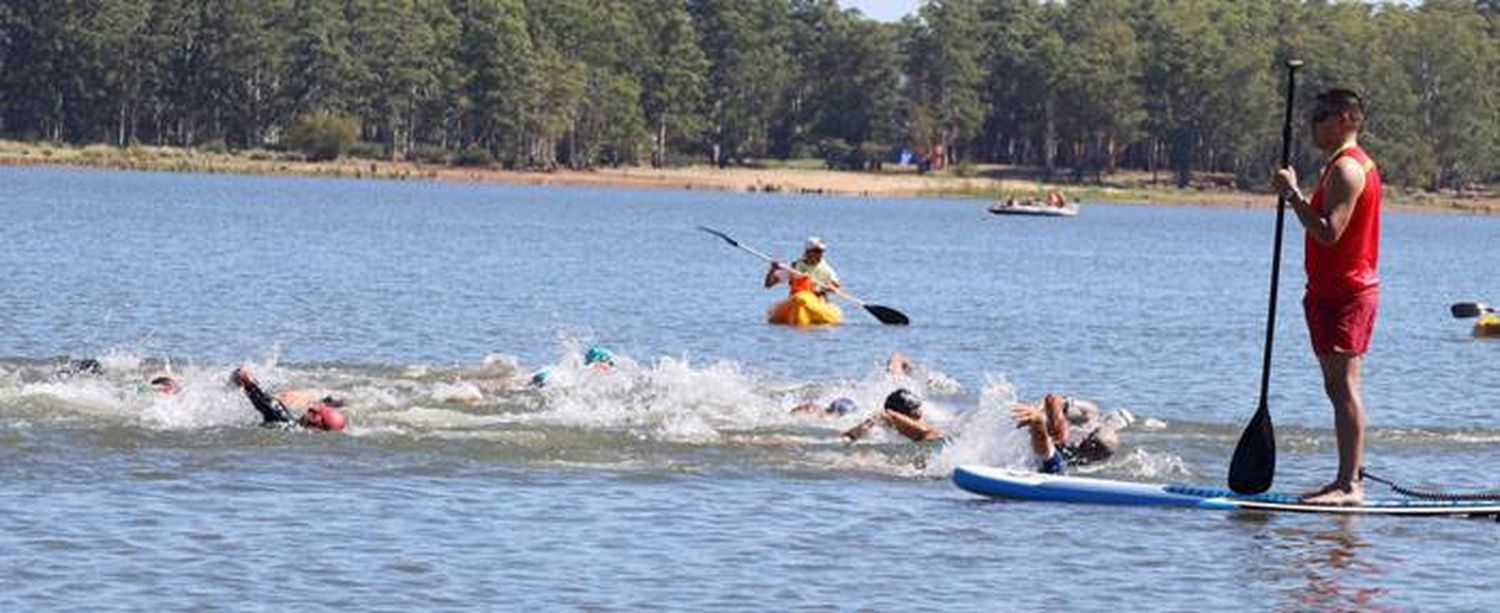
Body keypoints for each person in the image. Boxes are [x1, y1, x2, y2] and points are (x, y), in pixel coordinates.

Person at [1272, 89, 1382, 505]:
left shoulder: (1350, 170)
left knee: (1344, 387)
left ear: (1345, 118)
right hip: (1325, 291)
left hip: (1348, 292)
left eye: (1320, 116)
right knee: (1335, 387)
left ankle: (1349, 486)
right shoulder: (1336, 166)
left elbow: (1328, 232)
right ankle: (1344, 478)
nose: (1311, 124)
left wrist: (1293, 196)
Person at [1011, 394, 1125, 474]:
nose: (1087, 448)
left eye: (1096, 453)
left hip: (1048, 451)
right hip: (1040, 427)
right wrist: (1057, 420)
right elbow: (1053, 399)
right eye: (1091, 443)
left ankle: (1037, 422)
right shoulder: (1089, 414)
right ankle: (1036, 421)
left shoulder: (1091, 459)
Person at [230, 367, 346, 432]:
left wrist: (245, 379)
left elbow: (243, 377)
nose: (311, 409)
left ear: (315, 417)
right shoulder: (300, 429)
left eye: (315, 411)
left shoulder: (282, 417)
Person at [843, 388, 941, 443]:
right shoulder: (891, 418)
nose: (920, 414)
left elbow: (931, 433)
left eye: (918, 408)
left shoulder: (924, 429)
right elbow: (885, 414)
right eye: (914, 410)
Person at [764, 237, 840, 299]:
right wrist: (772, 270)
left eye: (821, 251)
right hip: (796, 300)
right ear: (807, 251)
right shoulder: (794, 266)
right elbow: (768, 284)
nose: (819, 254)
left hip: (817, 300)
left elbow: (836, 286)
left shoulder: (827, 269)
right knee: (801, 299)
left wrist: (830, 288)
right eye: (816, 251)